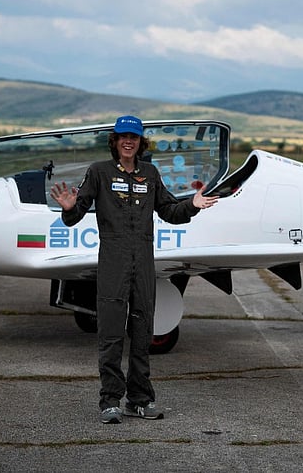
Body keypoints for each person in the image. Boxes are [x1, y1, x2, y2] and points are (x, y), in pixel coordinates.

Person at [50, 115, 218, 424]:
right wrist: (69, 208)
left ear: (141, 143)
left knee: (143, 333)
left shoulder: (150, 174)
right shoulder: (98, 172)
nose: (129, 141)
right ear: (114, 141)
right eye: (123, 136)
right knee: (111, 334)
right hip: (112, 262)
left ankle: (140, 400)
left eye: (135, 137)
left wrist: (192, 205)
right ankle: (110, 400)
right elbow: (75, 216)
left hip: (143, 263)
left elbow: (170, 211)